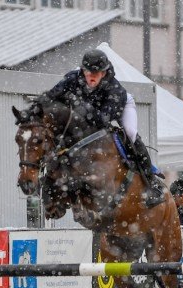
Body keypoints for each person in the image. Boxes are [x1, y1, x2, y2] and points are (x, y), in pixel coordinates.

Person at [45, 48, 164, 207]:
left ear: (104, 72)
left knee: (130, 132)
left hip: (118, 109)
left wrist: (79, 106)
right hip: (90, 112)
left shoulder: (114, 89)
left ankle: (151, 183)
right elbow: (50, 97)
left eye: (97, 72)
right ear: (83, 70)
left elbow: (102, 120)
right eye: (88, 72)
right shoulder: (72, 78)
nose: (92, 76)